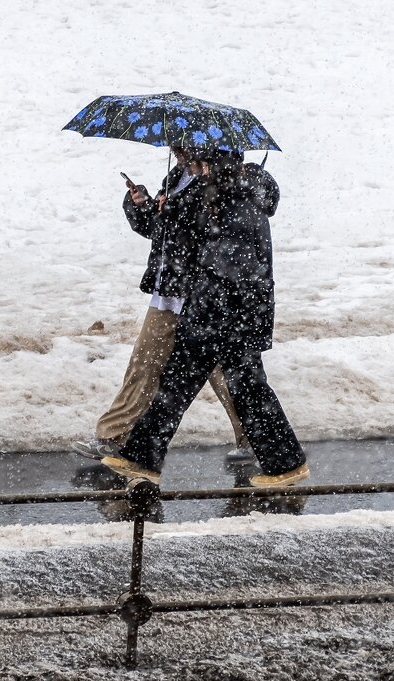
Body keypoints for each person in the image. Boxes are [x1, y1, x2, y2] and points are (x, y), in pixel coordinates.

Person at [101, 148, 309, 488]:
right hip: (216, 309)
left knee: (236, 388)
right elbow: (180, 233)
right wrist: (156, 209)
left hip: (228, 312)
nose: (193, 168)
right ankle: (142, 459)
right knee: (188, 384)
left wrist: (174, 216)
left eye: (198, 164)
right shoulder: (221, 195)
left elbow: (232, 262)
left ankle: (285, 464)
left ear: (213, 166)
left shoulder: (237, 201)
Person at [72, 146, 254, 463]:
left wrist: (175, 211)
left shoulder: (221, 182)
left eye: (181, 143)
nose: (175, 148)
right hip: (169, 287)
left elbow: (212, 232)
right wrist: (139, 206)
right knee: (145, 363)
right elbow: (159, 230)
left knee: (219, 370)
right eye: (174, 143)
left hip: (200, 291)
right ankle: (114, 436)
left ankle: (256, 438)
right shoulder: (176, 176)